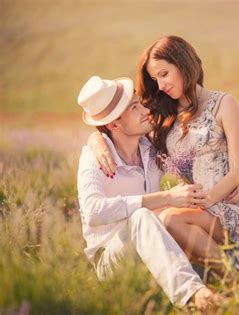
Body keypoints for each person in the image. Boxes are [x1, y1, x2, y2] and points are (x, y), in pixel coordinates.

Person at [89, 35, 239, 266]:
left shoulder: (225, 104)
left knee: (171, 219)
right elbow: (121, 123)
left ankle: (236, 281)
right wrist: (97, 138)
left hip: (234, 207)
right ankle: (233, 280)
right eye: (155, 79)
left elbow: (237, 170)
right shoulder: (163, 116)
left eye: (164, 74)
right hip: (195, 211)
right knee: (167, 220)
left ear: (183, 63)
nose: (161, 85)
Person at [77, 75, 219, 309]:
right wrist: (166, 197)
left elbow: (204, 163)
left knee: (185, 226)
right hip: (111, 260)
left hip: (157, 251)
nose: (145, 110)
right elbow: (93, 212)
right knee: (143, 217)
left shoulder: (151, 149)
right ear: (113, 125)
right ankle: (196, 298)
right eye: (135, 108)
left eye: (139, 102)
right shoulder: (95, 158)